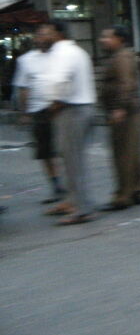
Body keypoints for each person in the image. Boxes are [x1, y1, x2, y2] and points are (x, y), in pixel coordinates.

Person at [42, 21, 97, 225]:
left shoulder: (62, 52)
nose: (41, 37)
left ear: (58, 34)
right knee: (70, 159)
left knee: (73, 162)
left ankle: (82, 209)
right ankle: (72, 201)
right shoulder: (77, 51)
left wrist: (55, 105)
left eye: (46, 33)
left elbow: (59, 81)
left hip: (71, 111)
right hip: (80, 108)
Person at [12, 31, 67, 204]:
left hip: (59, 109)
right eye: (39, 36)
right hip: (39, 111)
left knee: (63, 149)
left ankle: (69, 183)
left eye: (45, 36)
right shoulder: (26, 60)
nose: (42, 39)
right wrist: (25, 113)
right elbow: (23, 88)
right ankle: (57, 185)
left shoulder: (60, 56)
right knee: (45, 152)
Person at [98, 25, 140, 211]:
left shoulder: (122, 57)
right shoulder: (120, 56)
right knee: (131, 153)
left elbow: (126, 83)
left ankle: (124, 196)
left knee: (123, 155)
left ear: (120, 39)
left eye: (108, 37)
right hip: (127, 111)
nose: (103, 40)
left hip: (124, 113)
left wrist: (119, 107)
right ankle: (137, 190)